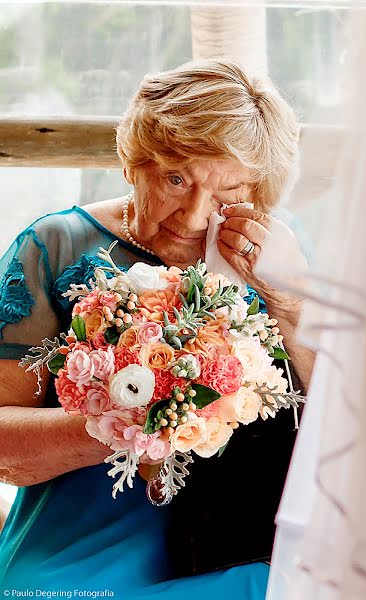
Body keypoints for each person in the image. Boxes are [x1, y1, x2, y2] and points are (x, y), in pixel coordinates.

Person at [0, 58, 314, 599]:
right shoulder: (53, 245)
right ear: (132, 162)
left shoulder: (278, 251)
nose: (194, 217)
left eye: (227, 193)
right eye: (175, 178)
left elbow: (347, 421)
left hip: (246, 536)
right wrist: (130, 423)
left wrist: (293, 307)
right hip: (80, 543)